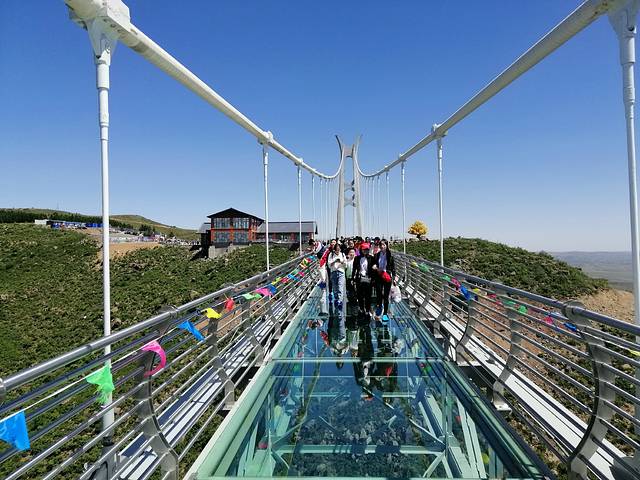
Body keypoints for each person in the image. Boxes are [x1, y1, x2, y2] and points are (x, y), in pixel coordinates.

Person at [373, 239, 395, 322]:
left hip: (387, 277)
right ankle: (379, 306)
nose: (382, 246)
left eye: (384, 245)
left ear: (386, 246)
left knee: (386, 296)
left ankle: (385, 313)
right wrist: (375, 267)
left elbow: (393, 268)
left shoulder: (390, 256)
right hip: (379, 276)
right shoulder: (377, 255)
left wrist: (394, 278)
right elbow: (375, 264)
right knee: (379, 293)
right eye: (381, 245)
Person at [352, 242, 374, 317]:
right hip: (359, 278)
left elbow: (374, 268)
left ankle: (367, 309)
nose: (365, 251)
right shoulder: (357, 258)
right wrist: (353, 278)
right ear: (361, 250)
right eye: (364, 249)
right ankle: (361, 308)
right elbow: (354, 269)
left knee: (368, 295)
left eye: (367, 250)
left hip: (368, 278)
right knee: (359, 295)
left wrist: (373, 278)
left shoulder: (371, 258)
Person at [327, 242, 347, 314]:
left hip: (341, 272)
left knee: (340, 286)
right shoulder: (331, 255)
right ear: (334, 250)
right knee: (335, 287)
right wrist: (335, 261)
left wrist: (341, 262)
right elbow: (329, 264)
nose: (337, 251)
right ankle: (336, 298)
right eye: (336, 250)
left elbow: (345, 265)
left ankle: (340, 300)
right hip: (333, 272)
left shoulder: (343, 254)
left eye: (339, 249)